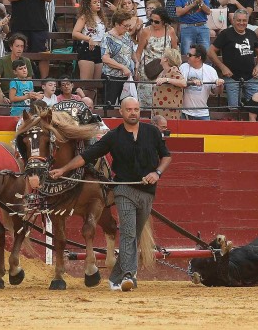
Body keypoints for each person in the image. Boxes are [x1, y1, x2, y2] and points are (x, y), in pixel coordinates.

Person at [49, 97, 171, 292]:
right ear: (121, 112)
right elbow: (86, 156)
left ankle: (116, 277)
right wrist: (63, 169)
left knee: (135, 235)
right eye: (129, 109)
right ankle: (128, 275)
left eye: (136, 109)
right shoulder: (113, 136)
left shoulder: (152, 132)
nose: (133, 113)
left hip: (147, 191)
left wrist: (156, 173)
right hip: (123, 189)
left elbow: (166, 156)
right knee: (128, 232)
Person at [209, 9, 258, 109]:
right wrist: (222, 67)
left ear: (247, 21)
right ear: (233, 21)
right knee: (233, 109)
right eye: (239, 20)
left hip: (251, 76)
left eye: (244, 20)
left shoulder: (252, 34)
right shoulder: (225, 34)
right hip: (232, 77)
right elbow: (211, 51)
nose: (241, 23)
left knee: (254, 109)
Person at [179, 44, 224, 120]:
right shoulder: (183, 67)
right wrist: (191, 83)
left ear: (198, 58)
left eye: (190, 55)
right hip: (184, 112)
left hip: (202, 113)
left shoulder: (210, 70)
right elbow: (178, 85)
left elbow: (217, 92)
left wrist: (220, 85)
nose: (187, 56)